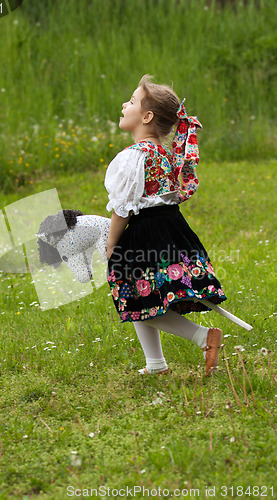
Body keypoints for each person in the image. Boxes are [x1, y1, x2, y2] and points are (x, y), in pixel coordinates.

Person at [104, 74, 227, 376]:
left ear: (146, 116)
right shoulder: (165, 154)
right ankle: (155, 363)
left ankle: (202, 336)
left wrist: (110, 245)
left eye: (131, 101)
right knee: (144, 294)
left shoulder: (133, 157)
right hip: (171, 229)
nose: (124, 104)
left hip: (146, 233)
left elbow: (123, 210)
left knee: (135, 298)